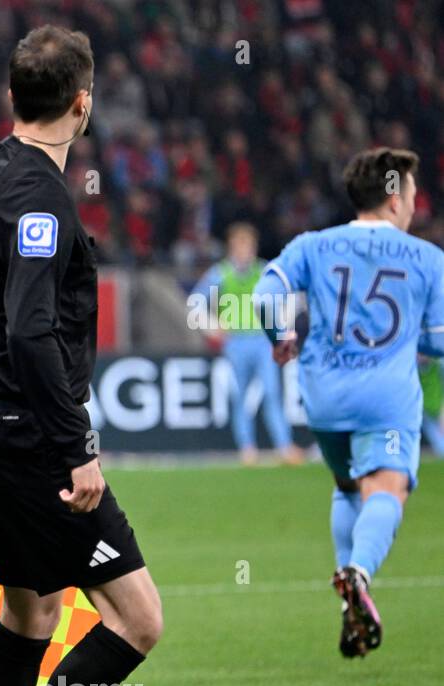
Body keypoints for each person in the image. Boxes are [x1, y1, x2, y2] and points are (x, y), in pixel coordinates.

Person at [0, 25, 163, 686]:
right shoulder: (39, 195)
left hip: (0, 422)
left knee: (31, 613)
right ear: (83, 102)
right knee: (138, 619)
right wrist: (74, 443)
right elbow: (34, 329)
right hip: (39, 437)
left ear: (14, 98)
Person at [255, 147, 444, 658]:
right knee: (388, 485)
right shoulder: (428, 258)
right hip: (385, 398)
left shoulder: (312, 245)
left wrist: (281, 336)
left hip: (323, 397)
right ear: (392, 197)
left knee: (346, 486)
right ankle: (359, 573)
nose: (414, 201)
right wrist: (411, 342)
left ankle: (349, 602)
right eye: (409, 191)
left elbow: (265, 295)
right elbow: (438, 339)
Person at [189, 223, 304, 464]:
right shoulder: (220, 274)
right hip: (236, 342)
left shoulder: (264, 271)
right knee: (240, 396)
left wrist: (280, 325)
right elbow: (195, 302)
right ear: (232, 248)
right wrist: (212, 327)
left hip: (262, 341)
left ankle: (283, 446)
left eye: (248, 246)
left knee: (272, 392)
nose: (244, 251)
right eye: (240, 246)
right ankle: (247, 448)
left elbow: (292, 298)